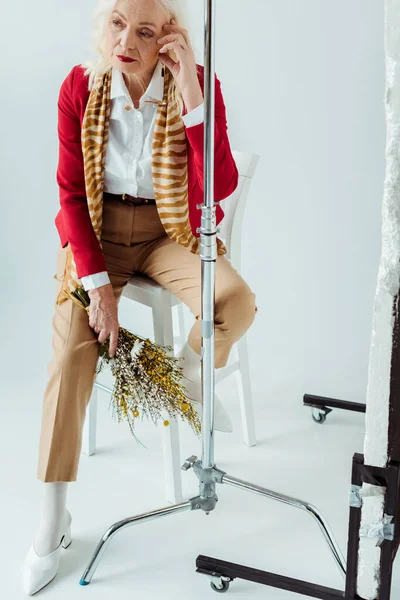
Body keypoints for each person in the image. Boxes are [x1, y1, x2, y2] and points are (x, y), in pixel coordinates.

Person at [23, 0, 258, 594]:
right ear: (102, 24)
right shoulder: (81, 85)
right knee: (71, 353)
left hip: (165, 231)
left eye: (146, 31)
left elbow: (218, 187)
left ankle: (187, 376)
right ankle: (52, 522)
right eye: (118, 22)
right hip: (96, 235)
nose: (126, 39)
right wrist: (97, 289)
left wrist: (191, 95)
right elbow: (71, 195)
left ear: (168, 40)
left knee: (233, 299)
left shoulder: (196, 87)